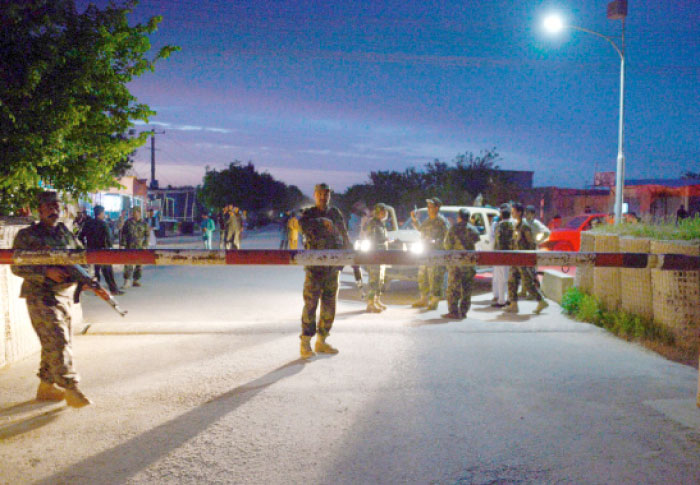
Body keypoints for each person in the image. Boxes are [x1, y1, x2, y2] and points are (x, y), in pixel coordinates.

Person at [11, 191, 92, 407]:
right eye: (47, 206)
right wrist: (45, 272)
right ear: (39, 209)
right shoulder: (26, 235)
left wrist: (85, 277)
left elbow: (82, 256)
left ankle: (46, 387)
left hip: (64, 295)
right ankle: (71, 387)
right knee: (58, 340)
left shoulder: (65, 233)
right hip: (40, 296)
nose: (52, 210)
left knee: (53, 343)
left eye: (56, 206)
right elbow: (17, 266)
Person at [298, 183, 350, 359]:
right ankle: (305, 342)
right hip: (314, 269)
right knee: (311, 305)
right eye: (320, 193)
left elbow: (344, 236)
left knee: (329, 306)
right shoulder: (309, 214)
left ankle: (322, 340)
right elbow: (302, 226)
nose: (323, 196)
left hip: (332, 269)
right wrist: (321, 221)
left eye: (326, 194)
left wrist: (347, 258)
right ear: (315, 195)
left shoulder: (335, 213)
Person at [505, 203, 548, 315]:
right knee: (511, 281)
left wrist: (529, 260)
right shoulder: (516, 225)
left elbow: (531, 243)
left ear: (519, 212)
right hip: (516, 259)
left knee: (528, 284)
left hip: (523, 260)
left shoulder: (524, 226)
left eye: (513, 211)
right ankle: (513, 304)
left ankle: (541, 301)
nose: (512, 213)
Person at [410, 197, 449, 310]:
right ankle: (423, 299)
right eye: (428, 207)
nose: (429, 209)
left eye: (431, 207)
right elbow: (421, 229)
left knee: (435, 277)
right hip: (425, 253)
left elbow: (448, 237)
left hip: (436, 254)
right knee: (422, 276)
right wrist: (414, 219)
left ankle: (434, 300)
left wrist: (437, 242)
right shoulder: (428, 220)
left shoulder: (442, 221)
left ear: (437, 208)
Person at [442, 208, 480, 319]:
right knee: (467, 288)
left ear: (459, 217)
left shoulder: (453, 229)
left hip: (456, 263)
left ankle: (453, 311)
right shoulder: (474, 230)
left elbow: (447, 245)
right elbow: (477, 240)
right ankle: (463, 311)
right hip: (469, 263)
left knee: (453, 288)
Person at [78, 205, 123, 295]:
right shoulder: (103, 224)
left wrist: (86, 245)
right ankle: (113, 290)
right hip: (102, 251)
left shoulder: (88, 224)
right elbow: (109, 238)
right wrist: (109, 247)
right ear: (100, 213)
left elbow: (80, 237)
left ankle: (97, 290)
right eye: (103, 213)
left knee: (96, 271)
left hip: (92, 250)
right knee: (108, 271)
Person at [363, 203, 391, 313]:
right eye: (383, 211)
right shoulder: (373, 223)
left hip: (381, 255)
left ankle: (377, 300)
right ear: (379, 212)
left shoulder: (380, 223)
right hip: (374, 256)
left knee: (380, 279)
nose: (385, 214)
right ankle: (370, 303)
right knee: (374, 279)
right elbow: (372, 240)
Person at [520, 205, 550, 299]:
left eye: (528, 213)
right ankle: (524, 291)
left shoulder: (535, 223)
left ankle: (532, 293)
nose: (526, 214)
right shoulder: (523, 222)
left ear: (532, 214)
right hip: (523, 249)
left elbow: (547, 232)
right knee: (523, 272)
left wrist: (538, 241)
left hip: (532, 250)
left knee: (532, 272)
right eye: (526, 212)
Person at [120, 207, 149, 288]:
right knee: (128, 264)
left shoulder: (144, 223)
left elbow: (147, 235)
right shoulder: (128, 223)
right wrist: (122, 244)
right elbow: (123, 234)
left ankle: (136, 280)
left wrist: (145, 245)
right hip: (129, 246)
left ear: (139, 213)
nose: (133, 214)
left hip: (139, 247)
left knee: (139, 264)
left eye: (135, 212)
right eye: (132, 213)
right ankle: (127, 281)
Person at [492, 204, 513, 308]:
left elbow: (498, 241)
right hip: (512, 255)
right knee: (510, 277)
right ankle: (510, 299)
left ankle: (501, 300)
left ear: (501, 215)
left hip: (501, 255)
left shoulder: (499, 226)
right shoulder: (514, 225)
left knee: (501, 278)